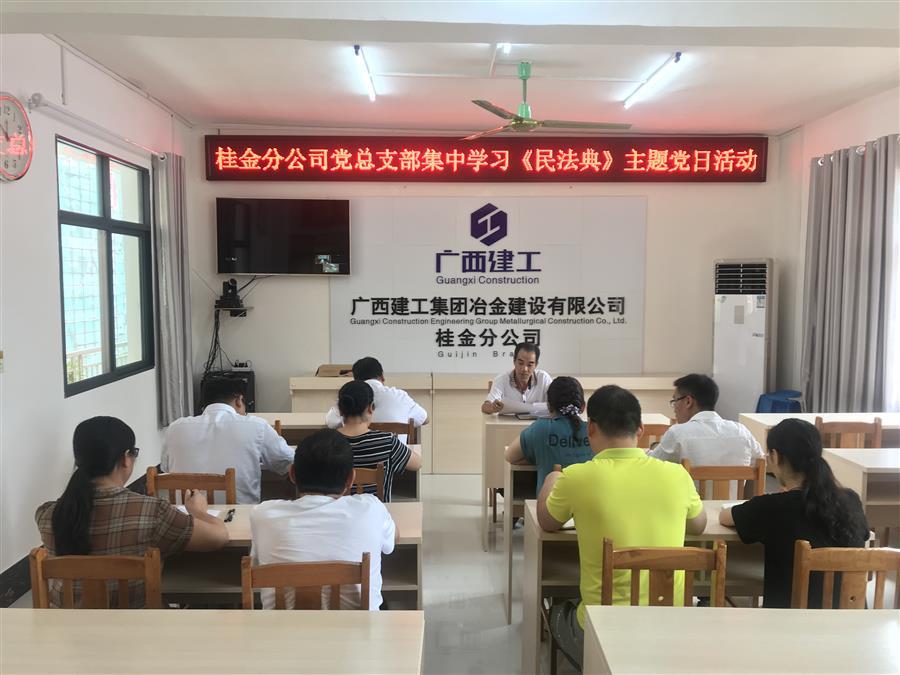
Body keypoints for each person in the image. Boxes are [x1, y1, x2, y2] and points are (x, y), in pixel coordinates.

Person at [537, 385, 706, 669]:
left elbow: (547, 521)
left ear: (591, 427)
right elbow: (699, 526)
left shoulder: (576, 477)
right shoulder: (677, 475)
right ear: (640, 429)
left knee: (557, 609)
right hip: (670, 626)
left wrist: (551, 480)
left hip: (603, 631)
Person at [35, 417, 228, 608]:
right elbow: (219, 537)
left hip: (67, 626)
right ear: (125, 458)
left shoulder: (47, 515)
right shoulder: (151, 512)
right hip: (137, 625)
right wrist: (198, 512)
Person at [720, 419, 869, 608]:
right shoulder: (851, 500)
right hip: (850, 619)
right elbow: (864, 534)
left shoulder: (771, 507)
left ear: (775, 456)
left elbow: (725, 517)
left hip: (790, 621)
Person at [250, 429, 397, 610]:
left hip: (281, 628)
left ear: (292, 474)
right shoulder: (371, 509)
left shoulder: (262, 515)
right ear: (351, 479)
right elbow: (392, 541)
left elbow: (255, 563)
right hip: (357, 628)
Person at [162, 376, 294, 504]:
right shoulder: (256, 425)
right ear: (239, 400)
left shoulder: (175, 428)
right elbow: (289, 460)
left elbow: (165, 468)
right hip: (237, 515)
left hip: (183, 514)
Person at [649, 374, 765, 491]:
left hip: (690, 503)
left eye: (675, 401)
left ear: (688, 401)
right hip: (734, 502)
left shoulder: (678, 433)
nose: (674, 408)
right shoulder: (742, 432)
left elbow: (651, 467)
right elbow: (760, 463)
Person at [335, 380, 421, 501]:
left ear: (340, 409)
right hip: (377, 511)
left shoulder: (325, 443)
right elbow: (417, 464)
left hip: (337, 511)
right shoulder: (387, 441)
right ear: (370, 408)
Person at [505, 376, 593, 490]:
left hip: (550, 500)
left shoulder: (540, 428)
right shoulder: (594, 431)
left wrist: (540, 456)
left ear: (549, 406)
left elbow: (510, 456)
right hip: (588, 500)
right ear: (583, 407)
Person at [325, 357, 428, 437]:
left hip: (357, 458)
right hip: (396, 458)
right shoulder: (400, 396)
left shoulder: (349, 395)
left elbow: (330, 422)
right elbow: (424, 419)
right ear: (382, 376)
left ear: (355, 380)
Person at [482, 342, 552, 415]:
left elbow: (556, 404)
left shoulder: (544, 378)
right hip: (508, 422)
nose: (524, 369)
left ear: (536, 365)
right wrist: (492, 408)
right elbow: (485, 407)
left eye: (529, 365)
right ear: (514, 362)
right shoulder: (502, 379)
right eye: (520, 363)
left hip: (538, 422)